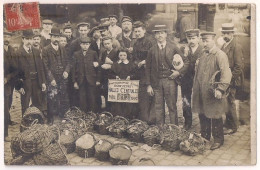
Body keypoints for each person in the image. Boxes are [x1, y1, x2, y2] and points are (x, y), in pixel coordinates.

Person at [192, 32, 232, 150]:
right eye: (203, 41)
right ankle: (205, 136)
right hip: (202, 91)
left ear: (213, 40)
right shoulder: (203, 54)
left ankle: (218, 139)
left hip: (213, 92)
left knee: (215, 114)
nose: (204, 43)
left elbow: (226, 73)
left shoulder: (220, 55)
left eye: (207, 41)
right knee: (203, 113)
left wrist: (220, 89)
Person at [145, 25, 189, 126]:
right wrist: (149, 85)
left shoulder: (173, 47)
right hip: (156, 82)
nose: (159, 35)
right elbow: (147, 68)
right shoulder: (152, 50)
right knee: (158, 107)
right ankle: (160, 129)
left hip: (170, 81)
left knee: (172, 106)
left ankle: (174, 129)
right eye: (157, 33)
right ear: (155, 36)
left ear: (165, 34)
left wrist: (178, 72)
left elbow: (186, 61)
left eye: (161, 33)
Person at [42, 27, 71, 123]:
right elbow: (45, 66)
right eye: (54, 37)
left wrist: (66, 71)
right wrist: (51, 79)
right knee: (51, 98)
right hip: (52, 78)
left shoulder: (62, 49)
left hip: (62, 78)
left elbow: (68, 62)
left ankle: (62, 117)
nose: (56, 39)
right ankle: (50, 119)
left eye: (57, 37)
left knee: (63, 97)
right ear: (50, 37)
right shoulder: (46, 50)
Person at [219, 23, 244, 135]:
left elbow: (239, 67)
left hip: (232, 80)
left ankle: (233, 126)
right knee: (226, 101)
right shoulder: (224, 45)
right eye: (224, 33)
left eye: (228, 33)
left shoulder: (236, 46)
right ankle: (228, 122)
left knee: (230, 102)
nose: (225, 35)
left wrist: (229, 79)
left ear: (232, 33)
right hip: (225, 79)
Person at [16, 30, 47, 115]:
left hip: (36, 81)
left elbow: (41, 68)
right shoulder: (18, 53)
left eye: (31, 39)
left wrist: (43, 82)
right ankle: (25, 123)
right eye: (27, 39)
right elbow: (16, 71)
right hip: (25, 83)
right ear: (23, 39)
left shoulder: (36, 51)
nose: (29, 41)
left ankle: (38, 122)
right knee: (25, 104)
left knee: (38, 102)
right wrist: (19, 86)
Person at [180, 29, 204, 130]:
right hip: (186, 80)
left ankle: (203, 124)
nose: (191, 41)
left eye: (193, 38)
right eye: (189, 38)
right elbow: (179, 63)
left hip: (199, 80)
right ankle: (188, 122)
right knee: (186, 101)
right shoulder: (183, 49)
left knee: (201, 101)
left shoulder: (203, 50)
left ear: (198, 38)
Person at [132, 21, 154, 123]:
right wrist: (137, 63)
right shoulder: (136, 43)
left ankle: (151, 119)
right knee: (142, 97)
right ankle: (144, 118)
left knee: (150, 95)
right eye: (135, 31)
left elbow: (153, 55)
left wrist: (145, 62)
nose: (137, 33)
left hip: (150, 72)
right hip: (140, 72)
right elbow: (134, 57)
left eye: (139, 31)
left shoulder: (150, 41)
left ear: (144, 30)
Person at [72, 37, 100, 113]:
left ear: (89, 45)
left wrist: (98, 80)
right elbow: (73, 69)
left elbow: (98, 68)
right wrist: (74, 81)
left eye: (87, 44)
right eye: (83, 44)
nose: (85, 46)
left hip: (91, 79)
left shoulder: (93, 53)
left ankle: (92, 114)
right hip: (80, 80)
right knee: (82, 98)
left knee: (91, 97)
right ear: (80, 45)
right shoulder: (76, 54)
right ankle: (83, 114)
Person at [109, 48, 137, 119]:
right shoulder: (115, 64)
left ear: (127, 55)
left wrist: (130, 77)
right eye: (120, 55)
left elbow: (136, 74)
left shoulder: (131, 64)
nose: (122, 57)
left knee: (128, 104)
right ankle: (118, 118)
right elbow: (110, 74)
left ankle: (128, 118)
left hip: (128, 88)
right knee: (118, 104)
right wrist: (115, 77)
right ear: (118, 56)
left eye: (124, 55)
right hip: (118, 89)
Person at [4, 31, 19, 141]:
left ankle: (7, 119)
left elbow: (16, 68)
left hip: (9, 81)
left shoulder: (12, 50)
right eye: (4, 36)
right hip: (4, 82)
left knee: (8, 102)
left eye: (8, 36)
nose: (6, 38)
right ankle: (4, 134)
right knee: (4, 106)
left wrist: (8, 77)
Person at [100, 36, 119, 111]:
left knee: (113, 93)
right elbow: (102, 62)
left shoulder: (117, 52)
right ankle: (107, 110)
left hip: (113, 76)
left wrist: (110, 65)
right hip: (105, 76)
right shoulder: (104, 52)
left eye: (108, 43)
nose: (107, 45)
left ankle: (114, 110)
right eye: (105, 44)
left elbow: (119, 64)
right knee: (105, 92)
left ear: (112, 43)